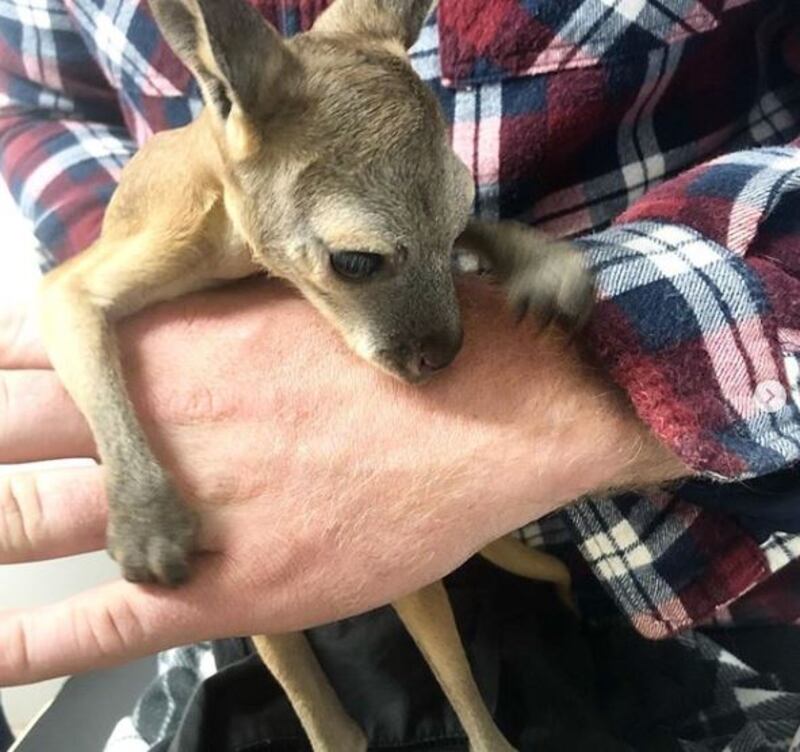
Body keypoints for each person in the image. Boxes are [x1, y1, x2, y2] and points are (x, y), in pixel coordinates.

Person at [1, 0, 799, 749]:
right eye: (358, 260)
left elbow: (403, 225)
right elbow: (36, 104)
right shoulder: (220, 172)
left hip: (719, 587)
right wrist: (162, 372)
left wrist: (581, 372)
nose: (438, 342)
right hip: (230, 559)